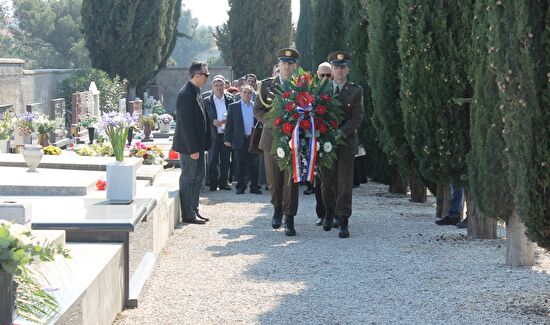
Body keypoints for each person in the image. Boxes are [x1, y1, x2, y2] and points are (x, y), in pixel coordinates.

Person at [254, 48, 300, 236]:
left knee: (291, 181)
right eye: (284, 63)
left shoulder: (301, 86)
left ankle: (289, 217)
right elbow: (258, 110)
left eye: (290, 63)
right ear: (278, 65)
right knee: (273, 180)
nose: (287, 66)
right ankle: (277, 209)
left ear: (294, 66)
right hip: (271, 138)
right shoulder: (266, 86)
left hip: (294, 140)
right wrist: (274, 122)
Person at [320, 52, 365, 238]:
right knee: (326, 182)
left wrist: (340, 132)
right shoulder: (322, 89)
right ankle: (329, 211)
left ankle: (343, 219)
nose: (340, 69)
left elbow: (357, 117)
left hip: (346, 142)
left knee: (345, 183)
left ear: (348, 69)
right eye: (336, 66)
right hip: (326, 143)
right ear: (332, 68)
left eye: (343, 66)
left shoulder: (355, 91)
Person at [172, 61, 212, 224]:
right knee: (189, 178)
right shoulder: (185, 94)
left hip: (198, 146)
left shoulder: (196, 91)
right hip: (190, 148)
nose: (207, 78)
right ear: (196, 75)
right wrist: (193, 148)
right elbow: (186, 125)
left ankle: (194, 209)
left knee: (198, 177)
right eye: (206, 75)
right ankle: (188, 214)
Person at [224, 84, 262, 195]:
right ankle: (240, 187)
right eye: (245, 92)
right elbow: (229, 125)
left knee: (254, 164)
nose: (247, 94)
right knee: (239, 164)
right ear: (240, 93)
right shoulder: (233, 107)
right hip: (239, 139)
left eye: (249, 92)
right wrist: (227, 139)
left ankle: (254, 186)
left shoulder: (255, 107)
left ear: (252, 94)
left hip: (253, 139)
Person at [204, 75, 234, 191]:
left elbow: (234, 115)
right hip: (213, 135)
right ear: (212, 87)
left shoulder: (229, 99)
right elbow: (204, 118)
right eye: (216, 85)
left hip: (226, 134)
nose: (219, 87)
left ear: (224, 86)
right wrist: (212, 122)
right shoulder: (207, 101)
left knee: (226, 160)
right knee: (212, 161)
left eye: (221, 85)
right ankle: (213, 184)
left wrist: (229, 120)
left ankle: (223, 183)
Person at [312, 62, 332, 225]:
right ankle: (322, 214)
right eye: (322, 75)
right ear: (317, 75)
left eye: (328, 75)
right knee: (319, 182)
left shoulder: (337, 91)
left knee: (336, 181)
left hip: (335, 141)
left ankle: (335, 213)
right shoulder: (311, 93)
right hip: (317, 143)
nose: (325, 78)